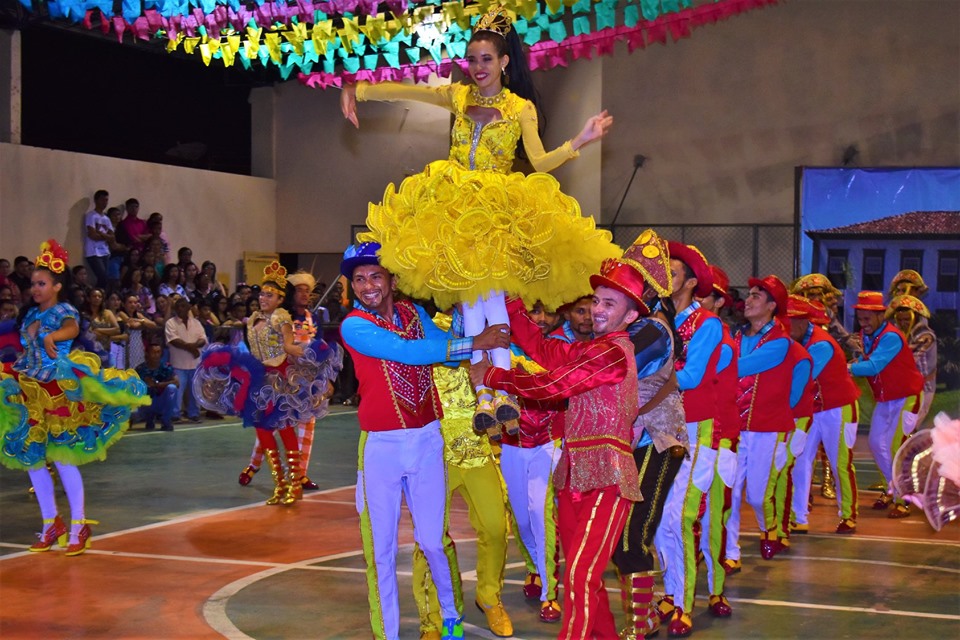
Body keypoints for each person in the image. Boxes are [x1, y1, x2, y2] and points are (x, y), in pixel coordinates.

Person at [342, 6, 619, 433]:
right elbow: (406, 91)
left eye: (486, 59)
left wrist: (580, 140)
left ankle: (498, 387)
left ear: (504, 61)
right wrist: (356, 90)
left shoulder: (520, 108)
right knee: (473, 299)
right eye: (471, 59)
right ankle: (487, 392)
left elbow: (540, 161)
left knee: (491, 299)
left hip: (495, 209)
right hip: (454, 207)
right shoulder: (457, 96)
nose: (477, 67)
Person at [337, 242, 511, 640]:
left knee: (433, 541)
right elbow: (407, 351)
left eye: (375, 276)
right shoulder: (354, 326)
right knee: (381, 552)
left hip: (429, 441)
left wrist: (472, 317)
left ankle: (450, 614)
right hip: (381, 447)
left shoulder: (412, 313)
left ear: (393, 280)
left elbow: (444, 352)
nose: (368, 286)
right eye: (359, 279)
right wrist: (475, 343)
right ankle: (387, 635)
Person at [471, 258, 645, 640]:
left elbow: (553, 385)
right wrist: (509, 301)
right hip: (573, 477)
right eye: (596, 301)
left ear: (631, 316)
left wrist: (494, 376)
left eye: (609, 304)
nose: (598, 310)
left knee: (582, 576)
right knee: (583, 578)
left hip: (609, 478)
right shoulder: (591, 350)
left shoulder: (614, 354)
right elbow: (540, 347)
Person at [0, 240, 148, 556]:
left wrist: (53, 336)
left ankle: (79, 525)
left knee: (63, 458)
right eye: (33, 283)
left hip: (57, 391)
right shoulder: (29, 313)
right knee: (33, 459)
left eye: (41, 283)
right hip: (30, 389)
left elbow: (71, 328)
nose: (35, 288)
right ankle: (51, 523)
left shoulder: (64, 311)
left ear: (56, 286)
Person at [196, 263, 340, 506]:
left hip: (280, 378)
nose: (263, 298)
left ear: (280, 299)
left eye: (270, 295)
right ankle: (280, 484)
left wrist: (308, 355)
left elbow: (288, 344)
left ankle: (295, 484)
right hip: (259, 378)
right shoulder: (253, 319)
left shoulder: (281, 317)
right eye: (262, 294)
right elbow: (251, 351)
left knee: (284, 428)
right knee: (263, 431)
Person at [606, 231, 688, 640]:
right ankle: (647, 618)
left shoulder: (652, 332)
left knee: (632, 535)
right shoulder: (640, 328)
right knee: (623, 535)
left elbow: (605, 366)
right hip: (634, 442)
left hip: (656, 441)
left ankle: (641, 624)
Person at [413, 310, 514, 639]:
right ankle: (433, 617)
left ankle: (489, 597)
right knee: (430, 539)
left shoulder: (487, 326)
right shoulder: (424, 327)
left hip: (477, 447)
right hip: (435, 452)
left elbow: (513, 365)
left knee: (496, 528)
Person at [653, 242, 724, 637]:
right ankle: (670, 591)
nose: (665, 277)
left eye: (673, 272)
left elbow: (693, 376)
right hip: (659, 425)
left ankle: (683, 602)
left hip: (695, 428)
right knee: (658, 515)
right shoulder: (656, 317)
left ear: (692, 282)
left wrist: (641, 379)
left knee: (680, 516)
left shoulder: (707, 324)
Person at [725, 276, 811, 568]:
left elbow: (741, 367)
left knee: (758, 496)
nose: (748, 301)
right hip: (735, 428)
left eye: (756, 296)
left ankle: (770, 528)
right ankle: (731, 553)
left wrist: (705, 367)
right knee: (731, 491)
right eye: (748, 295)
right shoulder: (736, 336)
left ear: (772, 306)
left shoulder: (780, 343)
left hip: (767, 430)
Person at [237, 271, 342, 492]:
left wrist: (324, 378)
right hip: (281, 378)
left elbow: (319, 350)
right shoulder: (280, 318)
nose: (305, 295)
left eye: (308, 291)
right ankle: (253, 465)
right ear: (290, 294)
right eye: (300, 290)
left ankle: (300, 474)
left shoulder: (313, 318)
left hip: (307, 381)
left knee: (307, 426)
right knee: (271, 425)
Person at [787, 295, 861, 534]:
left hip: (837, 408)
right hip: (812, 409)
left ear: (801, 322)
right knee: (800, 459)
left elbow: (802, 379)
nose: (784, 329)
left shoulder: (821, 345)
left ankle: (848, 514)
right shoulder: (797, 340)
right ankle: (798, 516)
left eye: (787, 323)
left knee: (840, 463)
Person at [849, 291, 925, 518]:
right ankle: (892, 489)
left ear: (880, 315)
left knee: (895, 447)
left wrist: (846, 368)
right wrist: (856, 362)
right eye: (860, 318)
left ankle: (903, 499)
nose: (863, 323)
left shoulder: (891, 337)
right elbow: (867, 361)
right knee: (875, 443)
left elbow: (874, 366)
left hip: (907, 397)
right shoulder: (867, 335)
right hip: (886, 398)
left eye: (867, 318)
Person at [888, 294, 937, 427]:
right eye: (900, 320)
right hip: (903, 388)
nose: (903, 323)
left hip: (923, 388)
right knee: (897, 426)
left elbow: (908, 359)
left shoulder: (925, 335)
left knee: (909, 427)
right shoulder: (899, 332)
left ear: (915, 317)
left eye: (907, 319)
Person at [164, 297, 206, 424]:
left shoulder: (196, 323)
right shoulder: (171, 323)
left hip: (195, 364)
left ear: (188, 308)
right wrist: (192, 349)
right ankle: (174, 414)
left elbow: (202, 339)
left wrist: (193, 347)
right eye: (177, 307)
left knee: (195, 392)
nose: (180, 309)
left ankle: (194, 413)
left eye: (183, 306)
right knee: (177, 392)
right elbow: (174, 341)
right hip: (178, 364)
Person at [135, 342, 178, 431]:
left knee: (172, 388)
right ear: (147, 353)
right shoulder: (140, 369)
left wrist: (158, 385)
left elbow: (177, 382)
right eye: (153, 352)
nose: (156, 355)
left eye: (158, 352)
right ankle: (148, 419)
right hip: (144, 404)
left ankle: (166, 420)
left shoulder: (167, 367)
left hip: (160, 402)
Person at [83, 189, 113, 288]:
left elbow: (112, 237)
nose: (105, 202)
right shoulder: (91, 216)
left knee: (105, 279)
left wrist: (100, 233)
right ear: (96, 200)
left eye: (106, 200)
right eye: (102, 200)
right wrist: (105, 236)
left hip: (105, 251)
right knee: (103, 277)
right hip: (93, 252)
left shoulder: (107, 219)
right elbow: (93, 235)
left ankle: (98, 294)